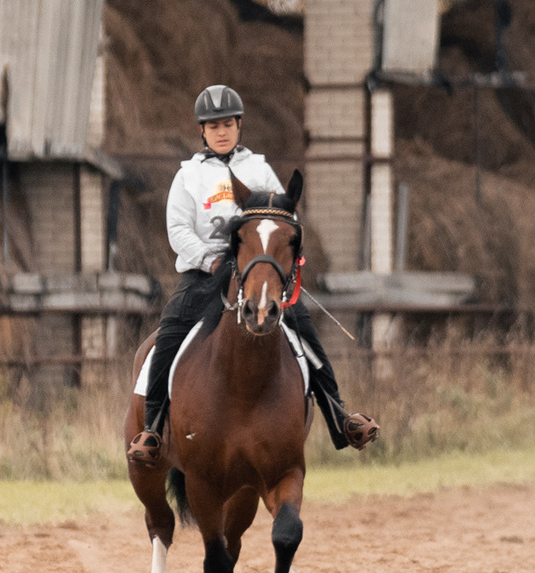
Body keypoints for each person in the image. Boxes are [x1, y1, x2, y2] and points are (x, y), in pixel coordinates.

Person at [127, 85, 379, 464]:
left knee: (303, 328)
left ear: (239, 125)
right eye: (213, 127)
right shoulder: (188, 176)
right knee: (170, 330)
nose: (221, 132)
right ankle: (152, 428)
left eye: (227, 124)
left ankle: (340, 417)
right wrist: (208, 260)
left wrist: (280, 262)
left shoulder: (259, 170)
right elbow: (178, 230)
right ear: (202, 132)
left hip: (258, 272)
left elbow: (283, 218)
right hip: (207, 273)